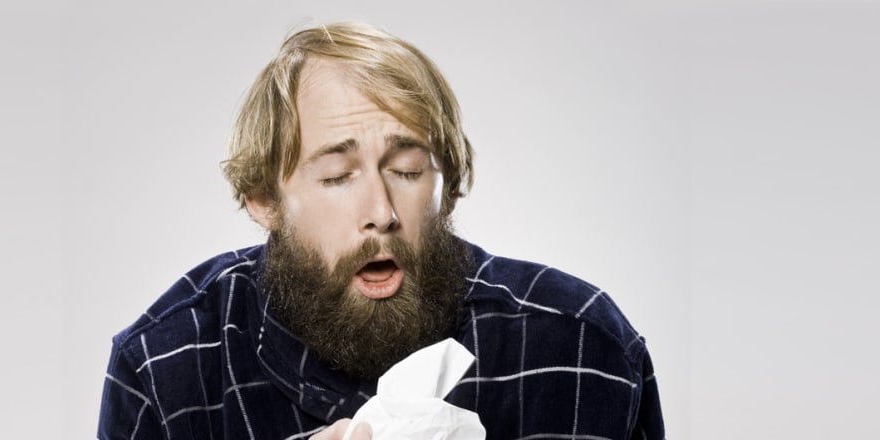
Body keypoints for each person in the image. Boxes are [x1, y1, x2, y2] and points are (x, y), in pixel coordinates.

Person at [98, 22, 665, 440]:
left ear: (448, 185)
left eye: (408, 170)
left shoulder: (584, 347)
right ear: (265, 200)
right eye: (336, 176)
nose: (381, 211)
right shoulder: (166, 366)